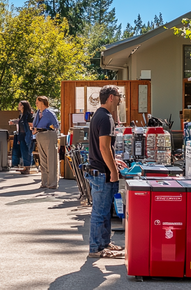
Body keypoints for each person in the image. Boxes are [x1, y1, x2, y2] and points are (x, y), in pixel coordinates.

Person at [86, 85, 127, 258]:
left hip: (98, 170)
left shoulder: (99, 115)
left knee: (103, 211)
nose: (120, 100)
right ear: (111, 97)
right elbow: (104, 147)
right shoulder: (106, 117)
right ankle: (96, 248)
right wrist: (113, 171)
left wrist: (114, 160)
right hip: (102, 173)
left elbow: (104, 147)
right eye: (119, 96)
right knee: (100, 212)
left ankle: (104, 243)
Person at [32, 96, 59, 189]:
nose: (36, 103)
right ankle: (44, 182)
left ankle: (52, 183)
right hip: (39, 135)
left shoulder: (49, 113)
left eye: (37, 102)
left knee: (51, 159)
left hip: (49, 135)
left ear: (42, 102)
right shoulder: (38, 113)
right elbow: (34, 124)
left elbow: (56, 125)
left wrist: (50, 126)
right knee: (42, 160)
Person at [9, 100, 33, 174]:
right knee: (23, 151)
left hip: (27, 135)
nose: (18, 106)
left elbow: (31, 125)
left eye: (19, 105)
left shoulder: (29, 115)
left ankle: (27, 167)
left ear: (23, 106)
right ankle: (25, 167)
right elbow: (20, 123)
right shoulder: (21, 115)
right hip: (21, 135)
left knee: (27, 151)